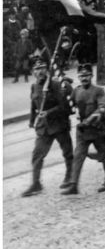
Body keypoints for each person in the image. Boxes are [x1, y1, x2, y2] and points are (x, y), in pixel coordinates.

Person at [22, 58, 74, 197]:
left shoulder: (55, 85)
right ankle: (36, 183)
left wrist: (49, 113)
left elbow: (63, 106)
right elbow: (34, 105)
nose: (40, 71)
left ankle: (70, 177)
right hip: (44, 128)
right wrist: (32, 121)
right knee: (37, 155)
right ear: (33, 72)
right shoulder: (34, 87)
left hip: (59, 124)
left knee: (67, 153)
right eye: (37, 69)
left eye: (43, 68)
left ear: (47, 70)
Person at [64, 63, 105, 194]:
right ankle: (74, 184)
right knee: (78, 156)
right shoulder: (76, 91)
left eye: (86, 75)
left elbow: (102, 108)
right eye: (81, 76)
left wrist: (89, 120)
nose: (84, 78)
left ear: (91, 76)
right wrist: (65, 94)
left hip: (97, 129)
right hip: (82, 131)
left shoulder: (98, 91)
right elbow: (70, 108)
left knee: (104, 155)